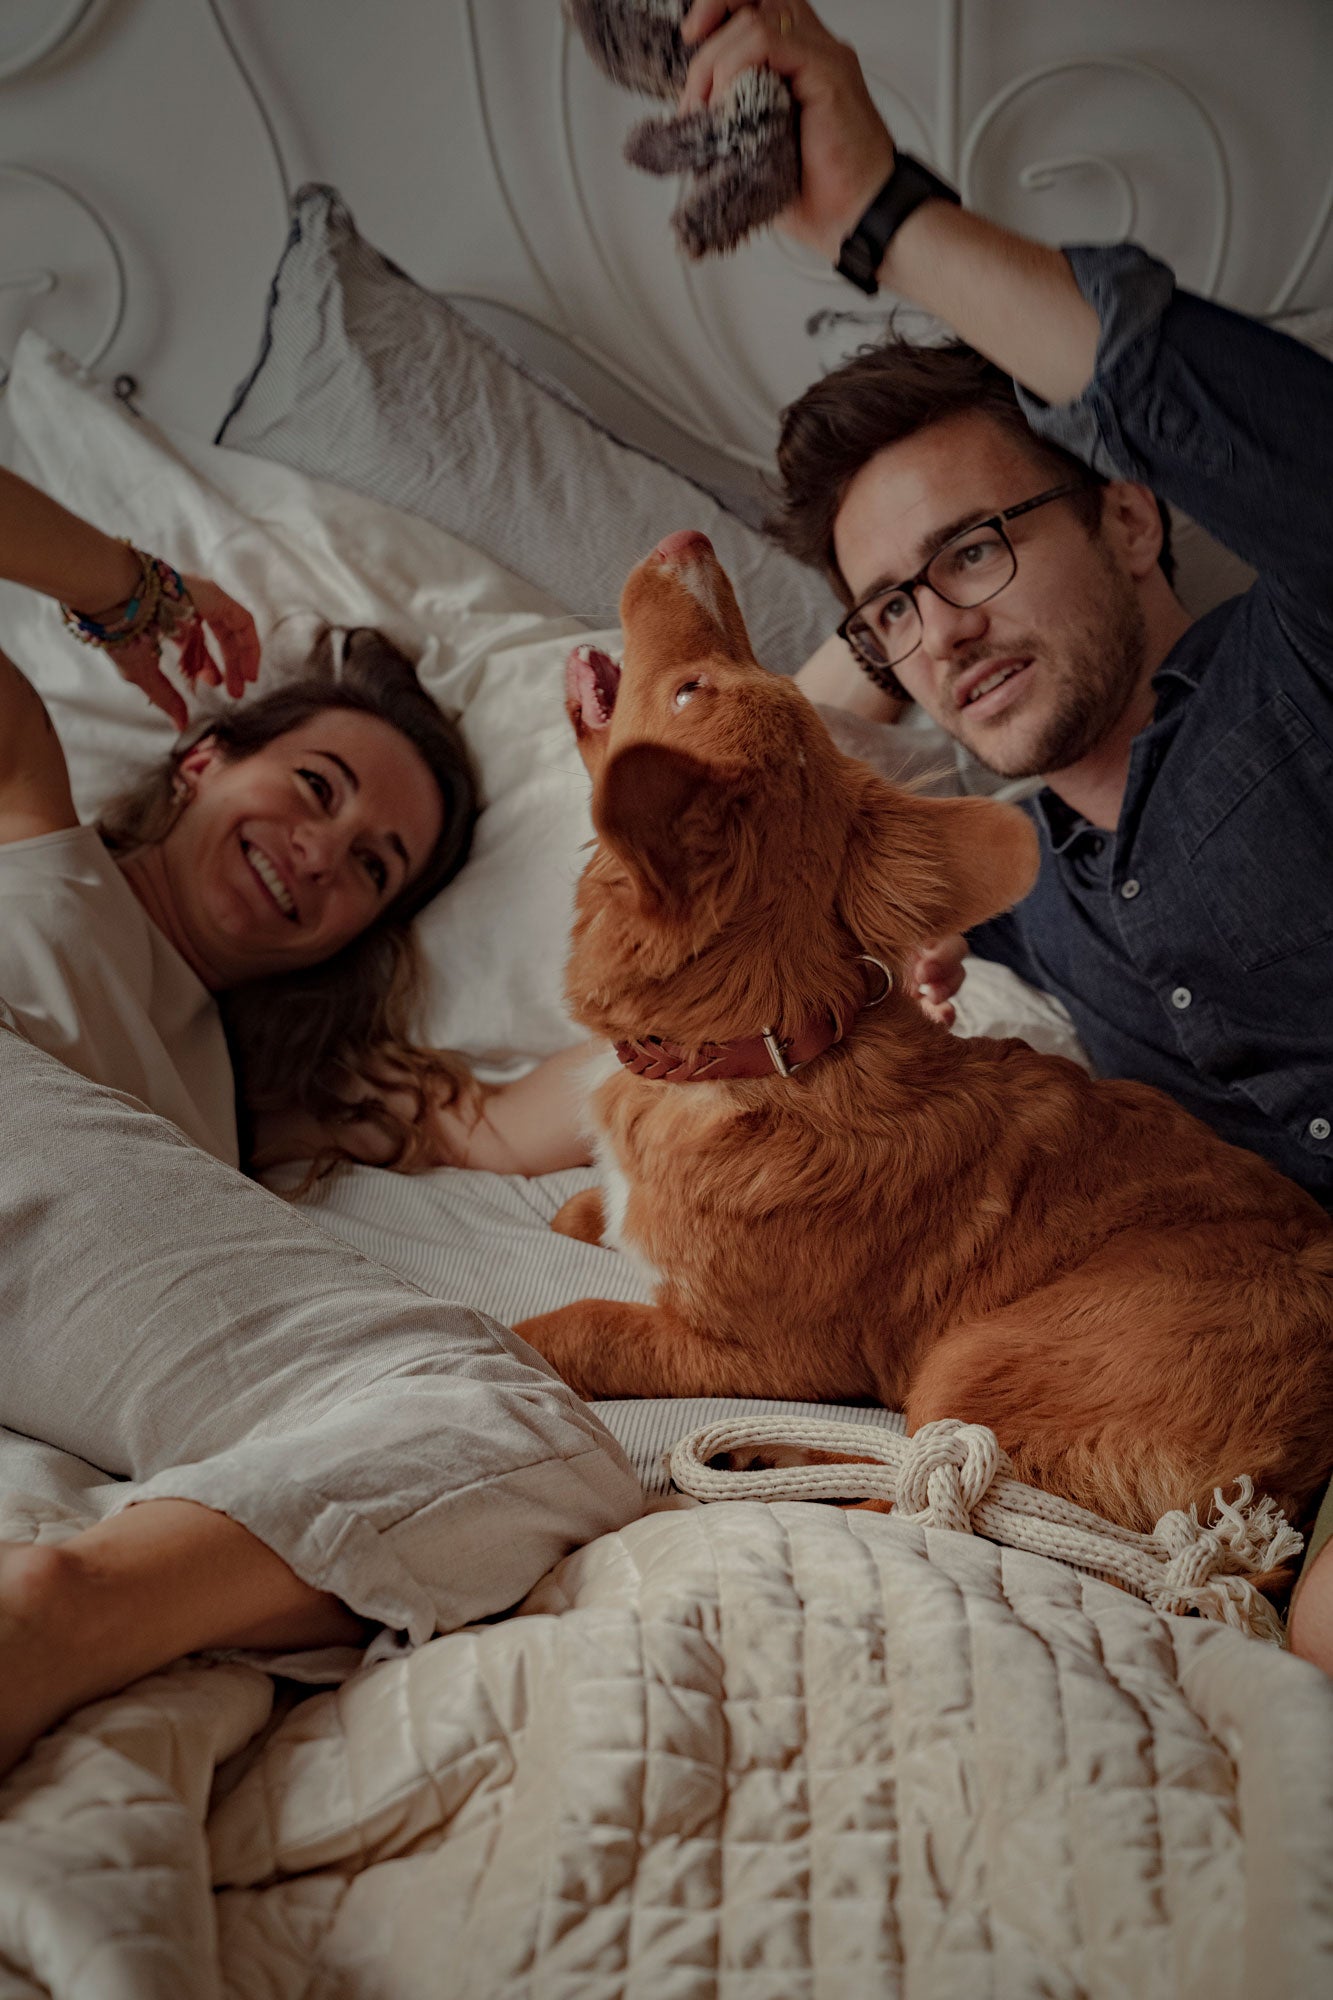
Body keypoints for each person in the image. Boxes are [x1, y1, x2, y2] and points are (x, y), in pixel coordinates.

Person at [679, 2, 1333, 1668]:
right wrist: (821, 662)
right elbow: (757, 810)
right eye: (895, 608)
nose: (943, 631)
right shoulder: (998, 886)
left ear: (1124, 518)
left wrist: (880, 216)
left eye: (971, 549)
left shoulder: (1299, 660)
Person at [0, 465, 593, 1181]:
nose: (320, 853)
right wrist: (127, 591)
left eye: (373, 867)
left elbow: (502, 1130)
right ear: (202, 762)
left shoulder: (283, 1097)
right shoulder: (25, 815)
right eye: (315, 786)